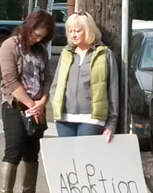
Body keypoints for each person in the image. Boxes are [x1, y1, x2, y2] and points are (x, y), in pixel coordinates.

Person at [0, 10, 55, 193]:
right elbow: (10, 81)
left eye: (42, 37)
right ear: (28, 27)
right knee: (13, 151)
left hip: (36, 109)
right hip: (14, 107)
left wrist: (43, 101)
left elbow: (47, 77)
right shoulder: (9, 46)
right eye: (35, 34)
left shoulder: (41, 51)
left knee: (32, 154)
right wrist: (31, 104)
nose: (38, 39)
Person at [50, 12, 119, 142]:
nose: (73, 35)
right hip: (64, 118)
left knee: (85, 159)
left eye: (77, 31)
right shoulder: (66, 53)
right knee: (68, 159)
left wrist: (111, 124)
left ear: (88, 31)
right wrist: (55, 103)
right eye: (70, 31)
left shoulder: (105, 54)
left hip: (92, 118)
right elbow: (56, 84)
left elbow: (113, 90)